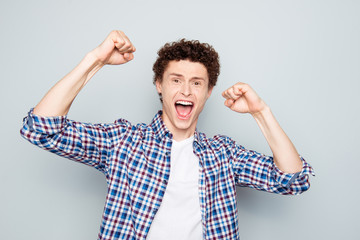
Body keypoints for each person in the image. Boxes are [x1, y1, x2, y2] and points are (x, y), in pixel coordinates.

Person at [20, 30, 314, 240]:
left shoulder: (224, 154)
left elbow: (292, 180)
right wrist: (94, 60)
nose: (186, 90)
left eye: (197, 83)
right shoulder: (123, 141)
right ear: (159, 85)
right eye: (176, 80)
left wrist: (260, 112)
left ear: (208, 92)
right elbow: (41, 128)